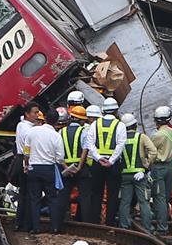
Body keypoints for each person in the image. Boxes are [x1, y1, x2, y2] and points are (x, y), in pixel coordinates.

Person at [86, 97, 128, 225]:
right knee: (113, 194)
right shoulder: (120, 125)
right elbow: (121, 144)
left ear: (103, 111)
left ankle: (94, 220)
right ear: (116, 111)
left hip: (97, 164)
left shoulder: (94, 124)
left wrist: (99, 158)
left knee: (96, 192)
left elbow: (90, 143)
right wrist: (111, 160)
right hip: (113, 165)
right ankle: (110, 221)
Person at [23, 108, 65, 233]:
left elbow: (26, 152)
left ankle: (36, 228)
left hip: (34, 168)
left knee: (35, 199)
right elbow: (60, 157)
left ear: (45, 118)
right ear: (57, 122)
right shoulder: (56, 136)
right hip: (49, 169)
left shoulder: (32, 132)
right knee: (52, 198)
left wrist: (26, 165)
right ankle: (55, 227)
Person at [118, 113, 157, 231]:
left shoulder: (120, 139)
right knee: (143, 202)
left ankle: (124, 225)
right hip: (139, 174)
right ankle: (147, 227)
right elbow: (153, 152)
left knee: (125, 201)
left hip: (125, 174)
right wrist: (146, 165)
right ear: (135, 125)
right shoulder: (141, 137)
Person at [11, 102, 41, 231]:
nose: (37, 115)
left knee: (24, 193)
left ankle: (20, 222)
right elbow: (28, 148)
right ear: (27, 114)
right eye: (35, 112)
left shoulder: (21, 125)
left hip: (21, 159)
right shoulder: (29, 129)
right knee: (29, 194)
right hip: (25, 161)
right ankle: (27, 224)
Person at [58, 106, 91, 221]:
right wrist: (79, 167)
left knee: (63, 195)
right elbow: (85, 150)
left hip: (66, 168)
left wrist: (66, 168)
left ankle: (61, 220)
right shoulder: (84, 132)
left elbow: (59, 154)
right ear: (81, 120)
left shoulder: (61, 132)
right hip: (80, 168)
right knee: (85, 196)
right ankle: (86, 222)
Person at [149, 106, 172, 234]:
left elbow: (149, 150)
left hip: (159, 168)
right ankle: (163, 219)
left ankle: (162, 227)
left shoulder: (158, 135)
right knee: (165, 197)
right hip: (170, 167)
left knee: (159, 197)